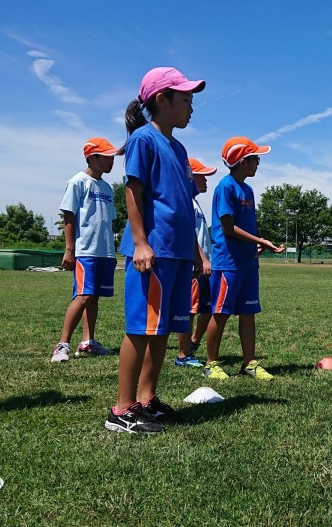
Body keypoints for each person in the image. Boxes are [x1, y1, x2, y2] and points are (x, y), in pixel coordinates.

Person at [106, 67, 206, 434]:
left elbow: (182, 205)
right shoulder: (143, 140)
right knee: (140, 329)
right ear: (161, 100)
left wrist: (195, 252)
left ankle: (147, 400)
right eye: (185, 100)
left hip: (178, 252)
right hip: (155, 251)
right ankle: (121, 408)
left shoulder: (178, 147)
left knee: (161, 329)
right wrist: (141, 242)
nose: (191, 108)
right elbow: (134, 191)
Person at [203, 137, 285, 381]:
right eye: (254, 158)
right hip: (228, 263)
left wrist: (257, 242)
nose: (258, 163)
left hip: (247, 262)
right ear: (241, 161)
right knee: (221, 313)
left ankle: (249, 363)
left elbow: (247, 225)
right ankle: (211, 364)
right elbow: (228, 228)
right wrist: (259, 241)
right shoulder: (225, 187)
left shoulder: (248, 189)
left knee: (248, 313)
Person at [50, 138, 121, 363]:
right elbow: (68, 216)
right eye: (106, 156)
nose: (111, 161)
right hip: (85, 250)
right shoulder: (77, 182)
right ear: (92, 157)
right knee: (83, 295)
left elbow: (108, 220)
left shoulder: (107, 187)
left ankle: (88, 342)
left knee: (94, 297)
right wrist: (69, 250)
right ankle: (62, 345)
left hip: (105, 251)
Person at [174, 158, 216, 368]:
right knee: (189, 311)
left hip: (204, 265)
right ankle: (183, 355)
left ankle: (193, 343)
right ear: (189, 176)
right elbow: (188, 233)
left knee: (207, 308)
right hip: (194, 266)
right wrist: (201, 258)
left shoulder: (195, 202)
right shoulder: (185, 201)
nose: (206, 180)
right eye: (202, 176)